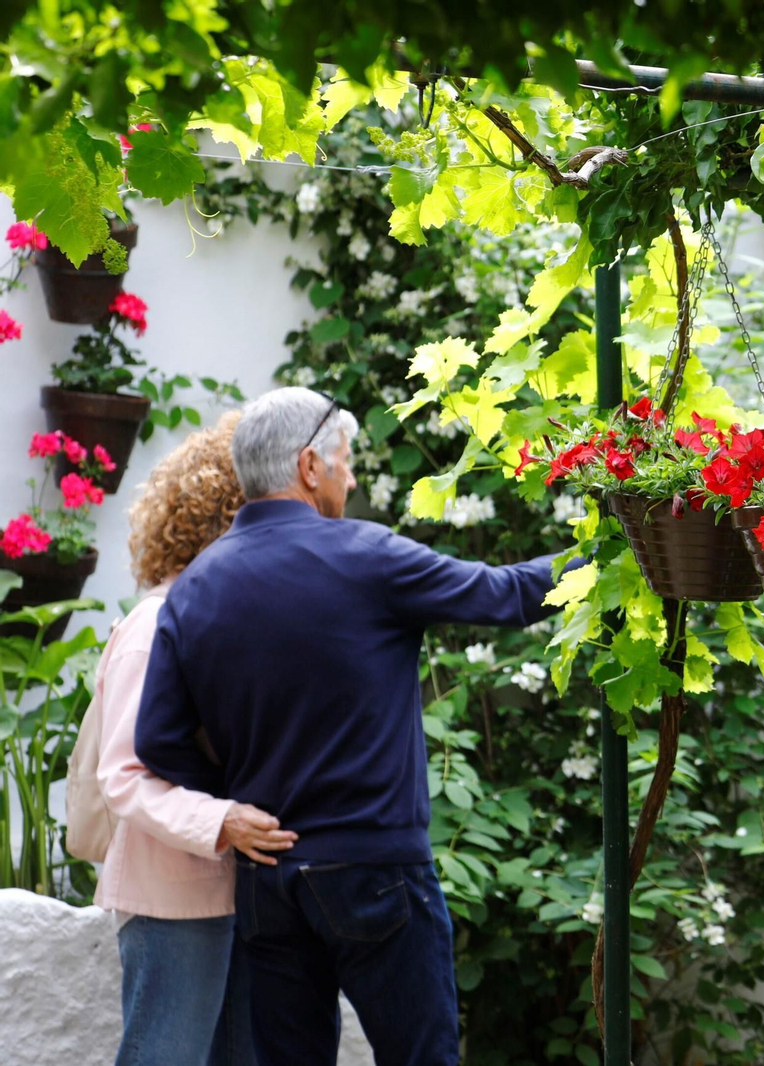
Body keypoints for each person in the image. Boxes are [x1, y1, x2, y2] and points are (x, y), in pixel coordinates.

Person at [134, 387, 571, 1066]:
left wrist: (234, 797)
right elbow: (508, 595)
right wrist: (609, 551)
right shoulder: (367, 555)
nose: (354, 474)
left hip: (270, 878)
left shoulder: (194, 588)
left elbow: (157, 741)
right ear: (310, 466)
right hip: (376, 869)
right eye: (347, 459)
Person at [91, 411, 298, 1066]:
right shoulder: (156, 624)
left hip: (232, 894)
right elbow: (121, 775)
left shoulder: (218, 617)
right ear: (221, 523)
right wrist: (224, 821)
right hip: (171, 901)